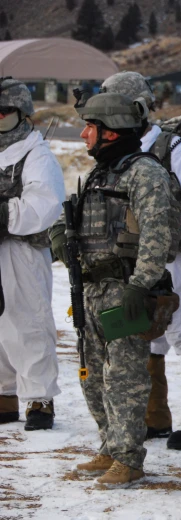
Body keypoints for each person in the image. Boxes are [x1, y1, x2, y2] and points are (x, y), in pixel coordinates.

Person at [49, 92, 175, 487]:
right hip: (92, 288)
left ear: (112, 131)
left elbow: (157, 235)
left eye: (91, 127)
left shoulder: (144, 172)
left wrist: (142, 284)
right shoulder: (103, 173)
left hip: (125, 290)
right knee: (93, 377)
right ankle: (109, 445)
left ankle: (129, 457)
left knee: (124, 379)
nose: (84, 134)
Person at [100, 71, 181, 450]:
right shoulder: (118, 154)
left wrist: (154, 227)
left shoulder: (171, 147)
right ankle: (154, 418)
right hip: (135, 261)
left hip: (180, 257)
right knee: (146, 335)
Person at [0, 78, 64, 431]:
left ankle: (39, 398)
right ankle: (4, 392)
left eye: (3, 113)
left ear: (21, 114)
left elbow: (45, 204)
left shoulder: (35, 153)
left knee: (29, 321)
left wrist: (4, 215)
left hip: (21, 248)